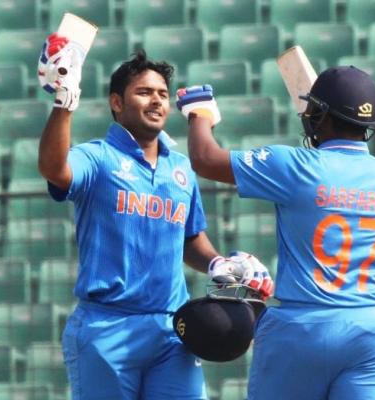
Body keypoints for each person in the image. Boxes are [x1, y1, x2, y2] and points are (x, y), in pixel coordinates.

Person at [36, 33, 273, 400]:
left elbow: (190, 238)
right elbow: (55, 170)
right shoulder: (97, 157)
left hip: (171, 328)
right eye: (144, 92)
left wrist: (216, 263)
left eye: (162, 94)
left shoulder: (181, 168)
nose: (157, 100)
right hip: (106, 327)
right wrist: (64, 101)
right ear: (117, 103)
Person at [176, 66, 375, 400]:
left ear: (319, 115)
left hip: (301, 329)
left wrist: (199, 110)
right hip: (370, 330)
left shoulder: (295, 165)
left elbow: (205, 158)